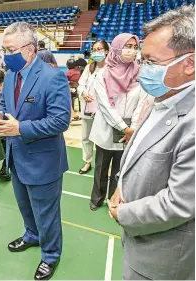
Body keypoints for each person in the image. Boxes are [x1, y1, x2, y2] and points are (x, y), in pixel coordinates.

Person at [109, 6, 195, 280]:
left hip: (162, 260)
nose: (142, 69)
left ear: (189, 63)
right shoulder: (163, 97)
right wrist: (122, 186)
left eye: (150, 61)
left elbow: (180, 203)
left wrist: (124, 213)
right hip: (141, 246)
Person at [0, 22, 70, 280]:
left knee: (47, 213)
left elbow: (60, 121)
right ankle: (31, 235)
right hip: (16, 157)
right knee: (25, 206)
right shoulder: (11, 75)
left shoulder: (53, 77)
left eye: (9, 49)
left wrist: (20, 128)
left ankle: (51, 255)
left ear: (30, 50)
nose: (5, 55)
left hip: (43, 161)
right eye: (3, 49)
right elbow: (4, 103)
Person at [88, 33, 147, 211]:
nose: (132, 51)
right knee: (101, 168)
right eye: (127, 46)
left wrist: (133, 127)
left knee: (119, 169)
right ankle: (96, 199)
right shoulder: (102, 75)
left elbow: (142, 101)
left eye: (135, 47)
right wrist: (123, 127)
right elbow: (105, 106)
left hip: (131, 130)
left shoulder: (140, 73)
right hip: (107, 128)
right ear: (116, 47)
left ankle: (113, 199)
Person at [77, 40, 109, 174]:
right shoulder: (89, 67)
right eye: (94, 50)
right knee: (86, 137)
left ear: (107, 51)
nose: (97, 52)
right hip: (88, 108)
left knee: (103, 139)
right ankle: (87, 161)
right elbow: (80, 85)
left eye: (100, 49)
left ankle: (105, 167)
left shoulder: (111, 68)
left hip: (104, 111)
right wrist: (83, 92)